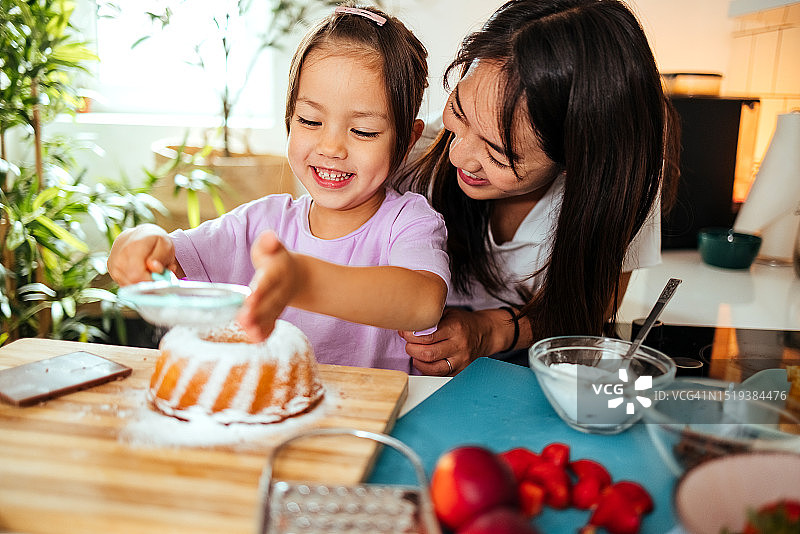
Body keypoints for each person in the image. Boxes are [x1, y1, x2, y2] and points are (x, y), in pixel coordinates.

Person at [108, 4, 450, 374]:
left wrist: (301, 280)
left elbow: (423, 301)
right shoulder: (260, 223)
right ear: (289, 119)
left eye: (363, 130)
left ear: (407, 140)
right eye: (310, 120)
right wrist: (140, 241)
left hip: (370, 420)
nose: (331, 147)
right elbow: (172, 255)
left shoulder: (410, 222)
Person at [396, 0, 680, 376]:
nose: (458, 156)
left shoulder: (620, 179)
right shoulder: (410, 152)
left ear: (574, 163)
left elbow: (591, 307)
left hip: (531, 369)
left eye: (499, 155)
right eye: (459, 114)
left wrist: (489, 331)